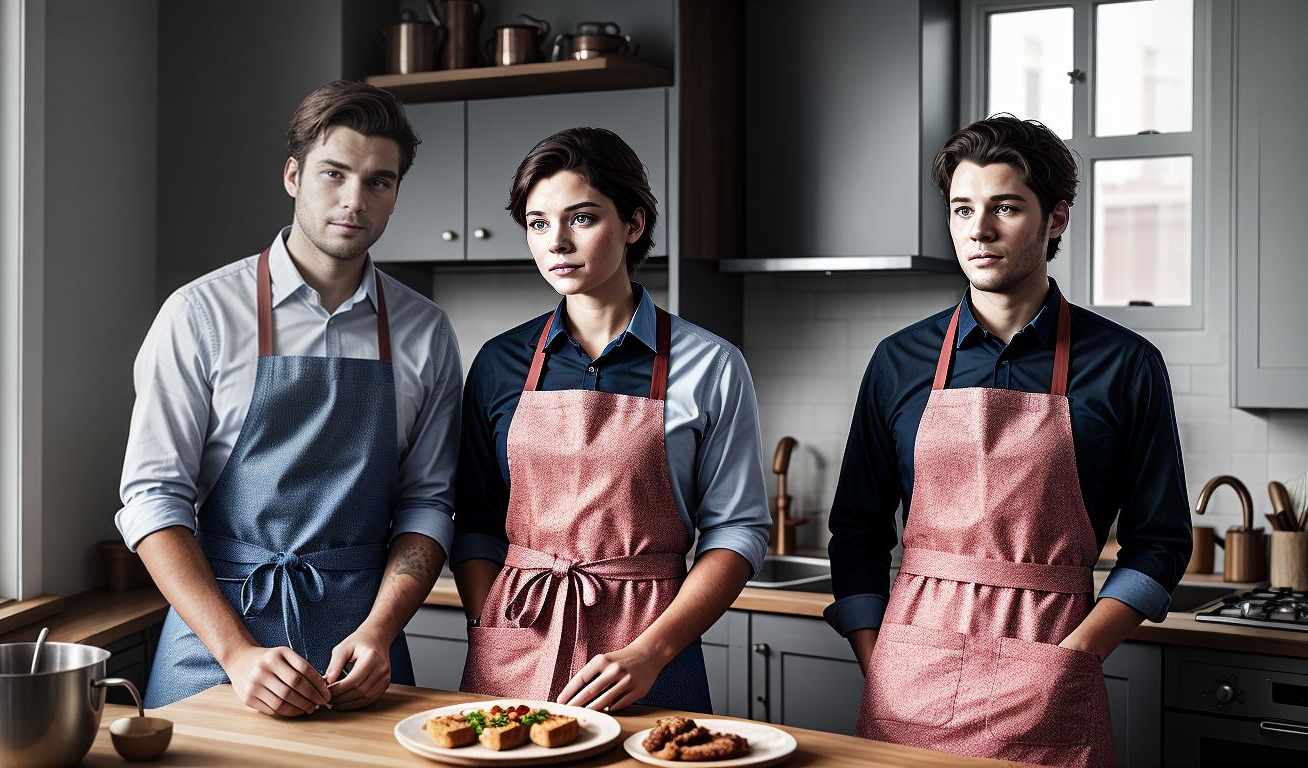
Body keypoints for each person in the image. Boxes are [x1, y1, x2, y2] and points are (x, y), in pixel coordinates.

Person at [828, 115, 1192, 767]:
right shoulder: (898, 361)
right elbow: (856, 529)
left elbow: (1161, 541)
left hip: (1052, 675)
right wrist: (875, 654)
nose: (979, 229)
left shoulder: (1125, 364)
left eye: (1005, 208)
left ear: (1057, 219)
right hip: (907, 678)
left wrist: (1080, 656)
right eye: (963, 208)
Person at [116, 81, 462, 714]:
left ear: (395, 196)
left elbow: (428, 503)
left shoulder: (425, 330)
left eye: (379, 182)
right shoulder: (199, 314)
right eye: (335, 173)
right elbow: (151, 499)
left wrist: (381, 633)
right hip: (214, 650)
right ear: (293, 176)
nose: (354, 201)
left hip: (362, 659)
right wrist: (237, 652)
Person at [451, 127, 770, 713]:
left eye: (582, 218)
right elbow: (475, 520)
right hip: (514, 641)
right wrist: (486, 619)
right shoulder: (499, 363)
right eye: (538, 223)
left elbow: (737, 531)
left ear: (634, 223)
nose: (557, 243)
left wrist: (652, 652)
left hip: (647, 653)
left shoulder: (712, 364)